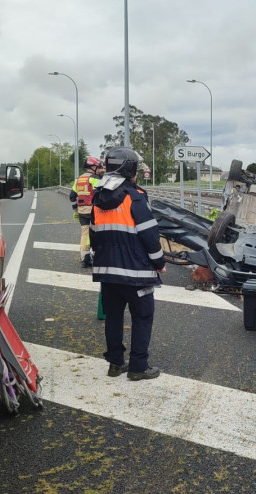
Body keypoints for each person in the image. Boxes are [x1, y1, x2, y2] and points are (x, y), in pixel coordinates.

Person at [90, 147, 166, 381]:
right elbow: (150, 236)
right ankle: (138, 367)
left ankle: (115, 364)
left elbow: (94, 235)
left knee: (113, 317)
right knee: (142, 317)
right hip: (136, 273)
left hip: (107, 272)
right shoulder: (135, 197)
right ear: (130, 169)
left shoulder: (98, 197)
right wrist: (159, 262)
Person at [71, 156, 105, 268]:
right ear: (93, 167)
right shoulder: (94, 178)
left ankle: (85, 257)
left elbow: (72, 196)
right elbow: (98, 193)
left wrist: (75, 209)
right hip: (93, 211)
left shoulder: (78, 179)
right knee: (97, 233)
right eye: (98, 166)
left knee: (85, 233)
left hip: (81, 211)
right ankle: (97, 256)